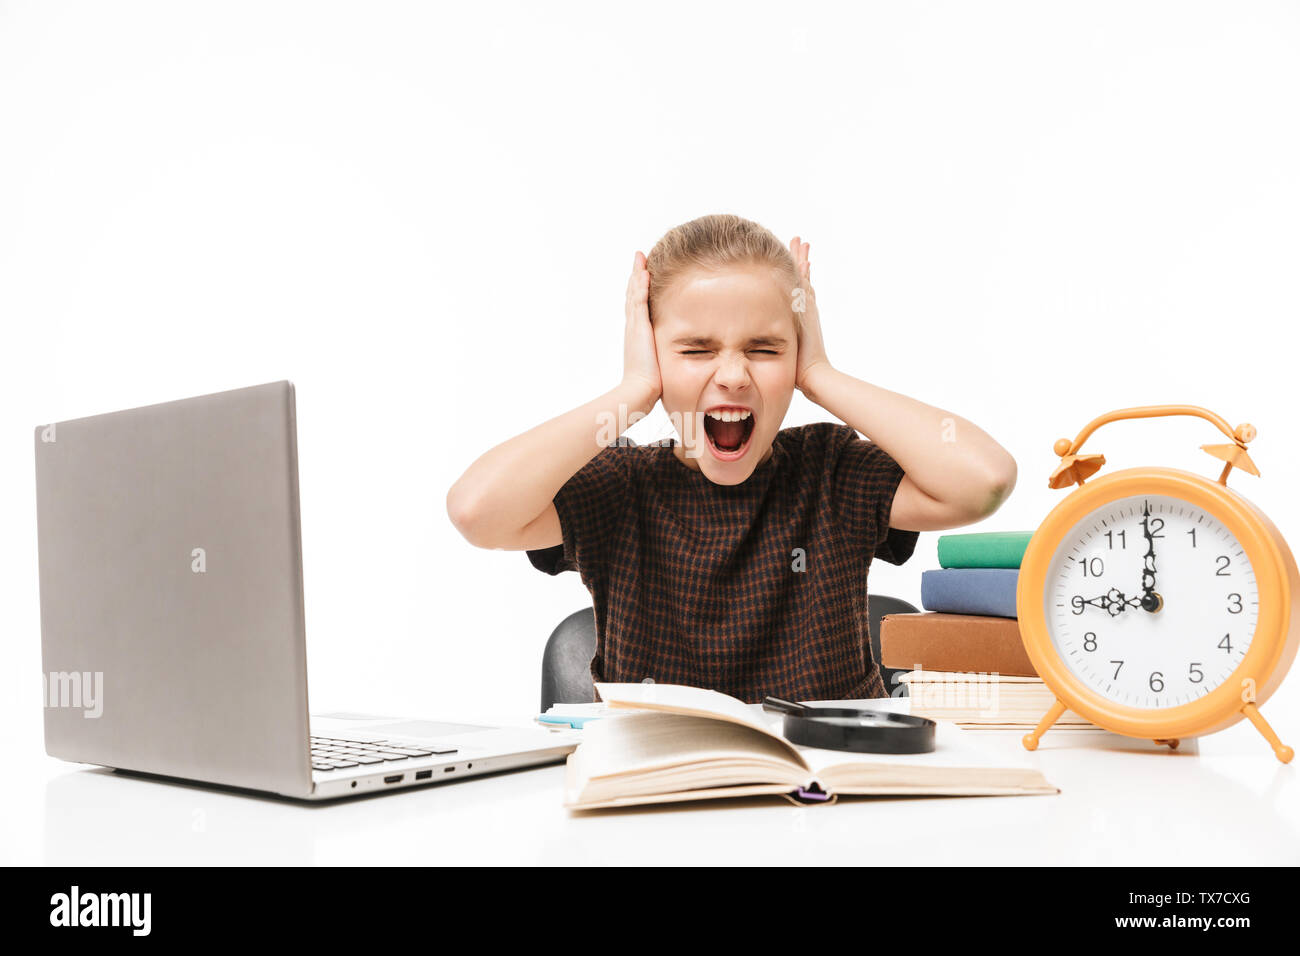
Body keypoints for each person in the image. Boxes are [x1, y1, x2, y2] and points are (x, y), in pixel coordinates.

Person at [446, 214, 1017, 703]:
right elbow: (477, 510)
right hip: (664, 805)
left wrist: (822, 377)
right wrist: (633, 391)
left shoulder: (830, 468)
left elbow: (983, 479)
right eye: (695, 350)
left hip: (831, 806)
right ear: (653, 352)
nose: (734, 376)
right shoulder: (618, 487)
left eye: (765, 349)